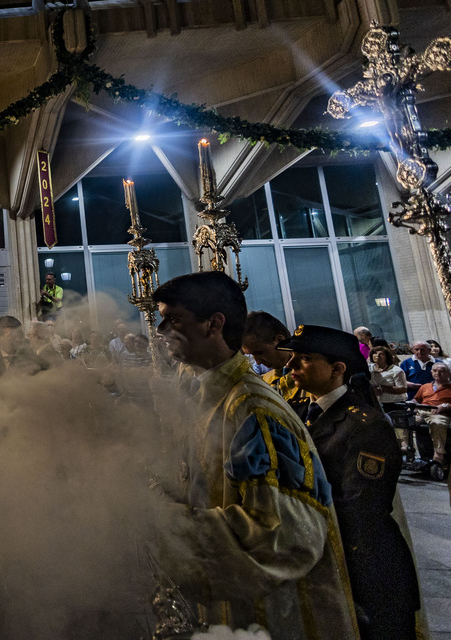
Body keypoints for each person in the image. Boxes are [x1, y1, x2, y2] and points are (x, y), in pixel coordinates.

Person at [150, 272, 358, 638]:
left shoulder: (253, 411)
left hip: (275, 617)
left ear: (213, 324)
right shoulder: (204, 394)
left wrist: (165, 525)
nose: (161, 329)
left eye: (175, 319)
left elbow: (284, 538)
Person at [281, 324, 420, 640]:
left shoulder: (365, 425)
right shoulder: (298, 411)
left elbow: (359, 507)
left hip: (367, 571)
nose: (290, 366)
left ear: (337, 368)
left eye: (302, 358)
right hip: (325, 560)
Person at [241, 310, 309, 421]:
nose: (257, 361)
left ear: (280, 341)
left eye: (260, 352)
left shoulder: (312, 379)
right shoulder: (264, 381)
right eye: (251, 354)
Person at [413, 362, 451, 467]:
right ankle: (406, 448)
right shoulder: (425, 386)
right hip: (423, 411)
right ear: (431, 372)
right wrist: (413, 405)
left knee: (437, 423)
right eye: (435, 371)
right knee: (402, 420)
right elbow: (416, 400)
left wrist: (446, 406)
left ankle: (438, 455)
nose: (437, 373)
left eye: (441, 371)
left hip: (439, 414)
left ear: (448, 373)